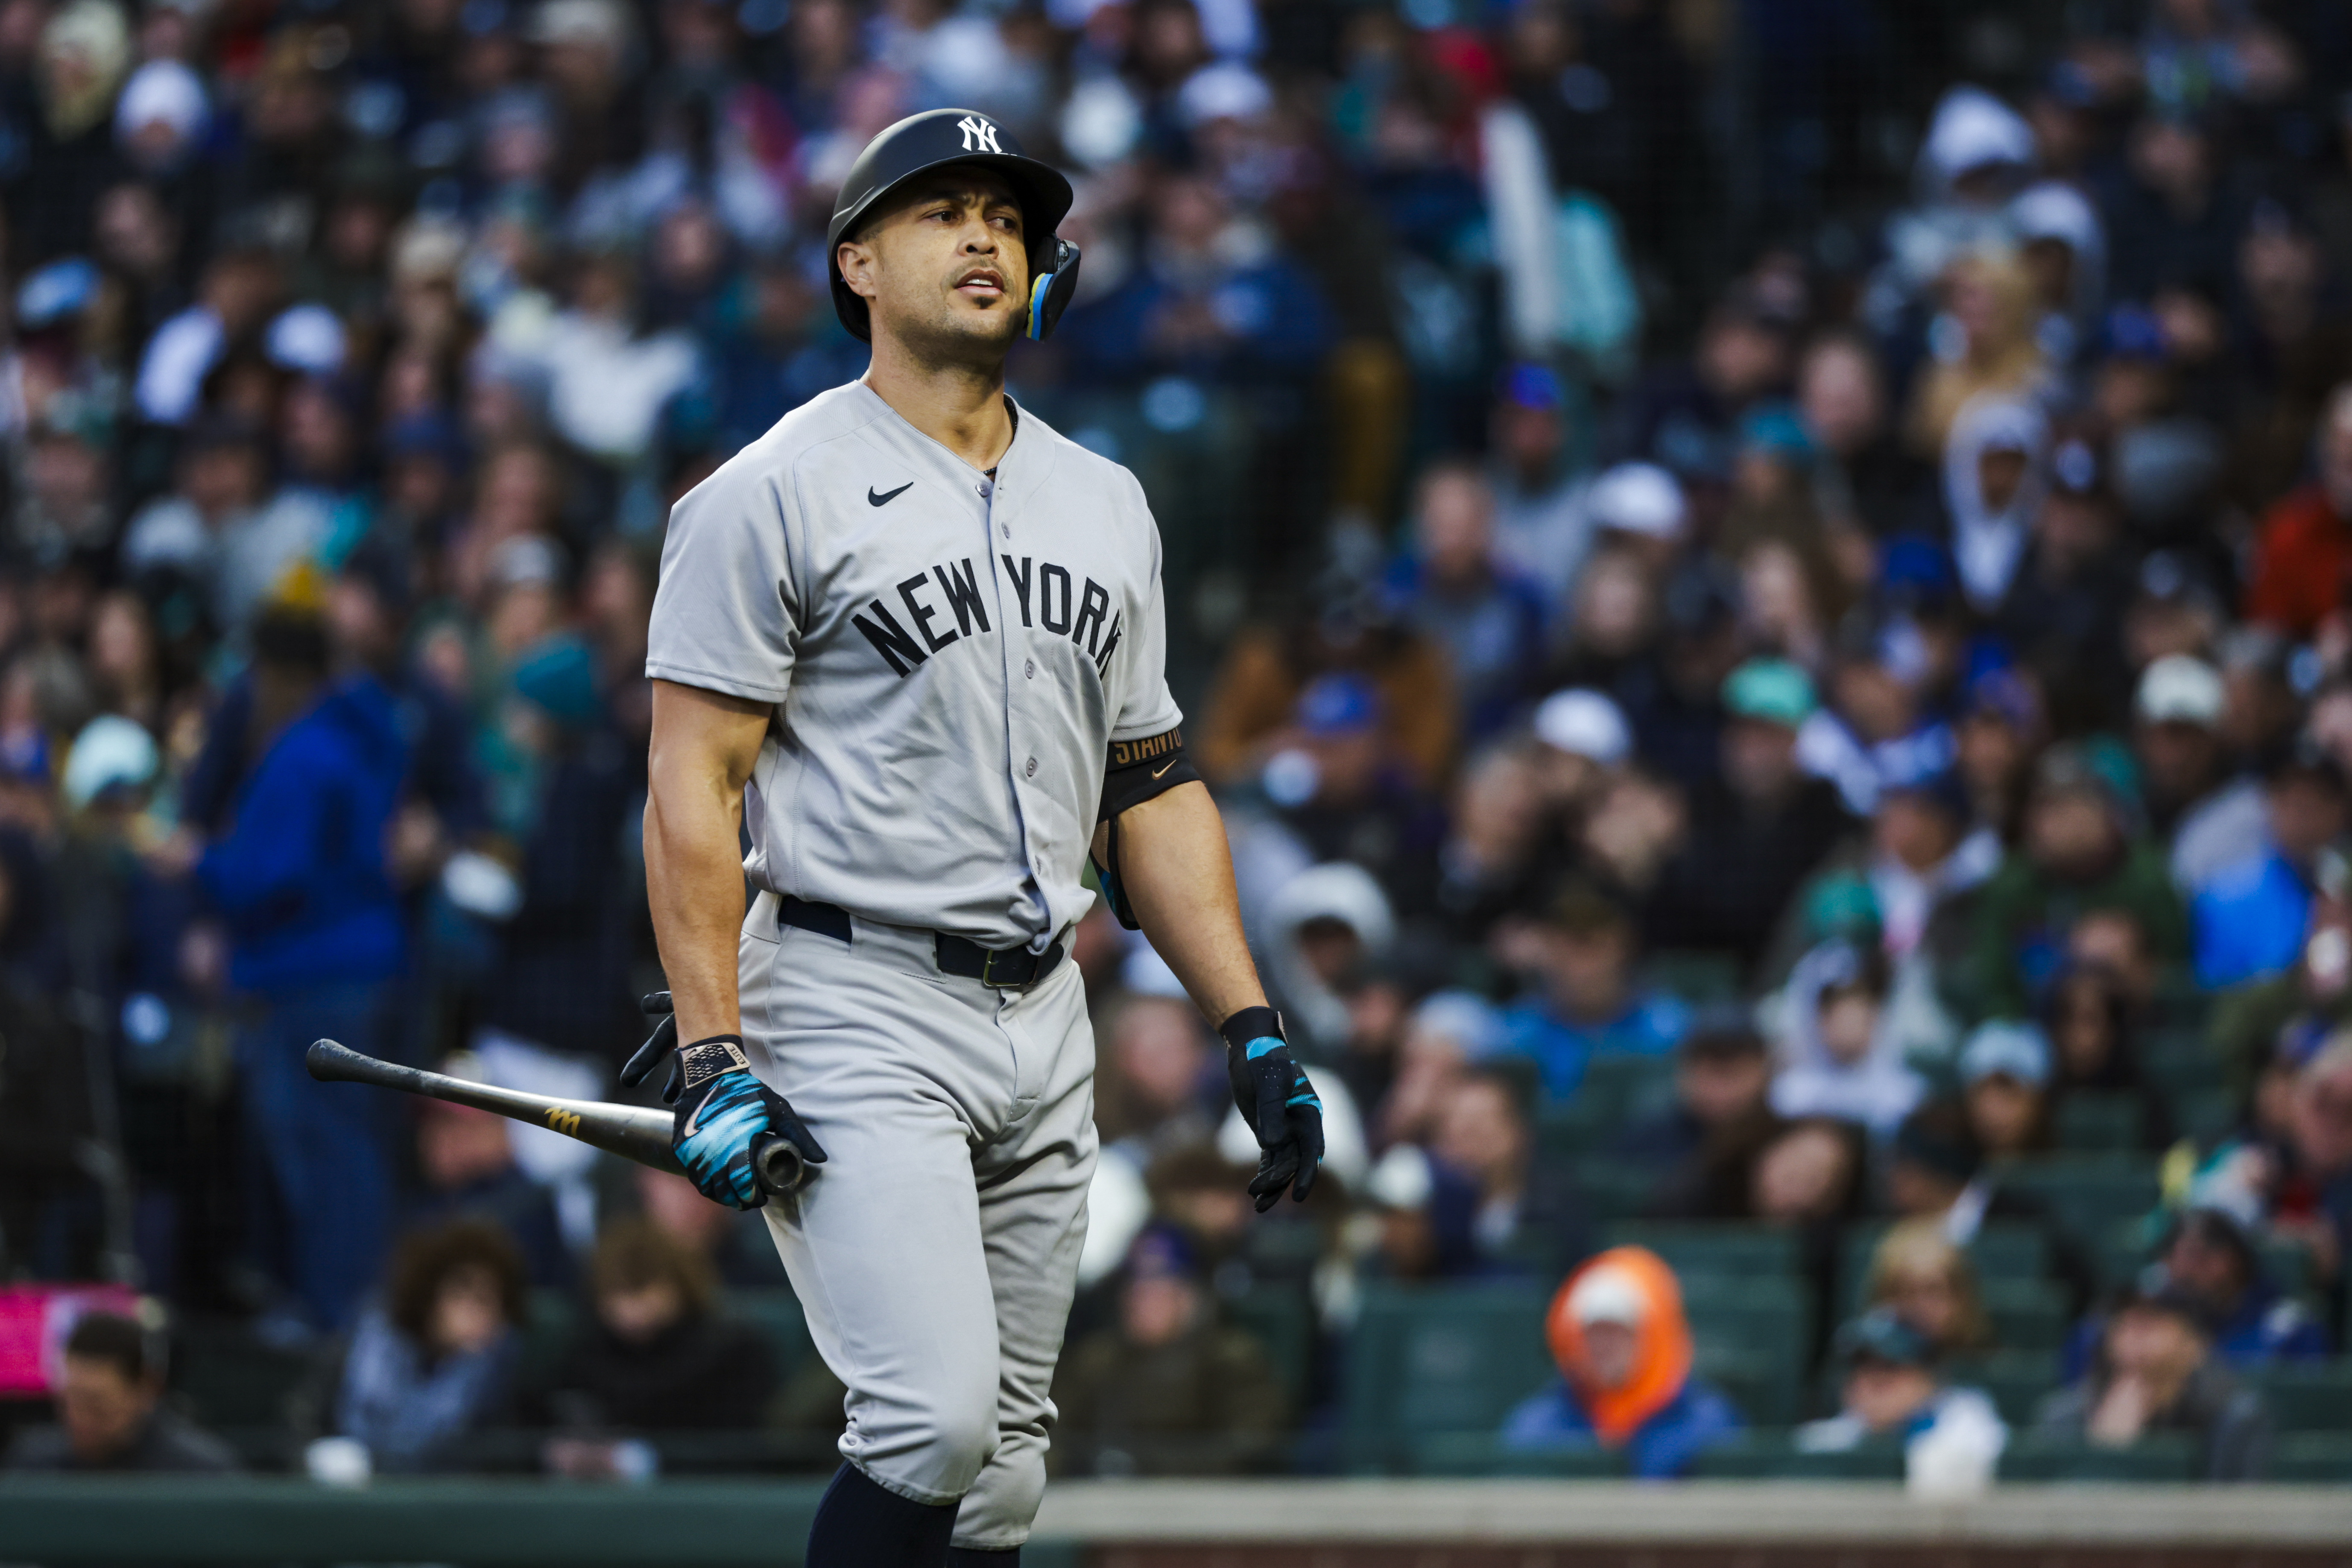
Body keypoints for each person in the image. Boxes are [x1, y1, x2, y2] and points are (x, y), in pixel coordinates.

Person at [632, 110, 1325, 1566]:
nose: (979, 236)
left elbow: (1151, 785)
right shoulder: (766, 492)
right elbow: (693, 789)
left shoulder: (1106, 502)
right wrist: (713, 1054)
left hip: (1042, 1003)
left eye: (1005, 218)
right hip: (852, 990)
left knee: (1004, 1479)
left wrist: (1249, 1026)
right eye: (939, 210)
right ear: (856, 265)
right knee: (929, 1429)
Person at [1050, 1226, 1288, 1477]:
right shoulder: (1098, 1360)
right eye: (1135, 1286)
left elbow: (1252, 1447)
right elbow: (1056, 1436)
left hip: (1207, 1505)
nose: (1142, 1299)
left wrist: (1149, 1468)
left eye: (1158, 1285)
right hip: (1104, 1504)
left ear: (1189, 1296)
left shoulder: (1231, 1359)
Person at [527, 1217, 779, 1451]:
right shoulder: (583, 1355)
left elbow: (743, 1448)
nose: (633, 1307)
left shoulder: (732, 1352)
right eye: (620, 1290)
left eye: (645, 1286)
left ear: (680, 1286)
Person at [1498, 1246, 1743, 1477]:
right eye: (1594, 1333)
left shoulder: (1708, 1422)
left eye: (1619, 1332)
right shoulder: (1536, 1427)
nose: (1605, 1347)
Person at [334, 1219, 528, 1472]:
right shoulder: (363, 1344)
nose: (472, 1312)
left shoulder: (503, 1376)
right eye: (460, 1294)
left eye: (486, 1300)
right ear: (429, 1293)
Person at [2036, 1278, 2274, 1481]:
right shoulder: (2066, 1414)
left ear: (2196, 1343)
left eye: (2152, 1319)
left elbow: (2236, 1515)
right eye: (2124, 1320)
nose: (2134, 1327)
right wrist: (2107, 1448)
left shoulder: (2237, 1417)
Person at [1498, 883, 1688, 1103]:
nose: (1582, 969)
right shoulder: (1513, 1036)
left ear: (1625, 949)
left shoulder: (1671, 1031)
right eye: (1568, 948)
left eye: (1594, 948)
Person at [3, 1311, 239, 1473]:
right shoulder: (32, 1467)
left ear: (147, 1390)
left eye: (97, 1406)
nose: (78, 1418)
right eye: (68, 1402)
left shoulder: (200, 1477)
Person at [1796, 1310, 2006, 1459]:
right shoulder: (1822, 1444)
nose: (1874, 1379)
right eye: (1861, 1365)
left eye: (1890, 1366)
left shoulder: (1969, 1428)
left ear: (1928, 1377)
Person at [1864, 1220, 1993, 1359]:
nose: (1920, 1306)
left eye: (1933, 1291)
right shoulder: (1865, 1370)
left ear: (1960, 1297)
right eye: (1907, 1293)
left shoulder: (1995, 1368)